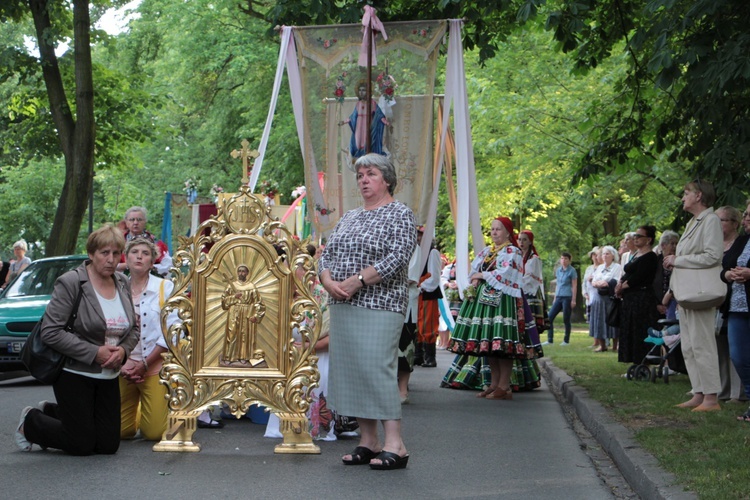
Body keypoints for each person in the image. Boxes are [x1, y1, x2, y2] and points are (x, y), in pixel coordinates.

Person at [319, 153, 416, 470]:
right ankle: (368, 440)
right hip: (343, 303)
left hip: (381, 304)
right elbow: (326, 255)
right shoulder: (348, 217)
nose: (363, 179)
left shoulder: (399, 214)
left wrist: (357, 281)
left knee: (377, 367)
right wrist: (328, 279)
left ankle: (395, 444)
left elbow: (397, 258)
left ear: (386, 179)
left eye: (370, 173)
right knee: (354, 370)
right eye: (360, 174)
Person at [15, 225, 139, 454]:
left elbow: (134, 329)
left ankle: (53, 412)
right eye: (104, 253)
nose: (111, 259)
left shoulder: (122, 281)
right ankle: (31, 421)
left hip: (109, 373)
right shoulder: (71, 282)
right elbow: (51, 331)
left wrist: (123, 352)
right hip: (74, 371)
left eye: (115, 253)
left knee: (107, 446)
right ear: (91, 254)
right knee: (81, 444)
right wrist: (94, 353)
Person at [447, 216, 530, 400]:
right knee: (490, 343)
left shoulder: (512, 251)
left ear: (508, 232)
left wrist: (481, 275)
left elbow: (506, 273)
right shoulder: (487, 251)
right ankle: (493, 384)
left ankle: (504, 386)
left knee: (502, 341)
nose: (494, 232)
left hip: (503, 302)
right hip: (484, 301)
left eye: (498, 229)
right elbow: (475, 270)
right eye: (492, 229)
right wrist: (476, 278)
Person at [265, 244, 337, 441]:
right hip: (291, 355)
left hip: (318, 356)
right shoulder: (284, 295)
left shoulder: (324, 297)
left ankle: (315, 427)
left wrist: (308, 347)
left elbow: (335, 336)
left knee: (317, 382)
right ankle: (285, 425)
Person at [663, 180, 723, 412]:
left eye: (686, 193)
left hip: (700, 293)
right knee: (688, 345)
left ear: (698, 196)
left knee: (702, 344)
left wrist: (678, 260)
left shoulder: (710, 221)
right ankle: (698, 392)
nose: (683, 197)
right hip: (687, 293)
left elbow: (712, 256)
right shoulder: (693, 222)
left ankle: (711, 398)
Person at [119, 238, 175, 441]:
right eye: (134, 252)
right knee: (121, 432)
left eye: (145, 253)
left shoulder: (165, 287)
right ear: (126, 257)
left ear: (152, 262)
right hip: (123, 366)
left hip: (154, 365)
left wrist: (145, 363)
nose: (139, 256)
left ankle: (152, 406)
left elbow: (172, 331)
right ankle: (139, 408)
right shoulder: (116, 287)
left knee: (154, 433)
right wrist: (123, 364)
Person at [615, 225, 660, 367]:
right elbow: (628, 273)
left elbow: (640, 277)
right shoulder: (635, 255)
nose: (635, 239)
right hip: (629, 298)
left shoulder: (651, 257)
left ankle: (642, 362)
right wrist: (619, 284)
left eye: (639, 236)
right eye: (635, 236)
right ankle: (633, 361)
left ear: (648, 239)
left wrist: (623, 287)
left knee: (639, 329)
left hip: (642, 298)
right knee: (630, 329)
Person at [715, 206, 747, 403]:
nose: (717, 225)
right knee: (726, 349)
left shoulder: (741, 241)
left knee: (740, 350)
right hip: (724, 303)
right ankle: (722, 389)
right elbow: (721, 270)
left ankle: (739, 394)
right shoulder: (717, 244)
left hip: (739, 302)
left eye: (722, 220)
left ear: (734, 223)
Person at [722, 201, 750, 421]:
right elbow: (725, 266)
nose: (747, 219)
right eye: (746, 215)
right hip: (736, 306)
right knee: (739, 357)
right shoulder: (741, 241)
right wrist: (728, 275)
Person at [220, 264, 266, 367]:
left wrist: (256, 315)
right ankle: (229, 357)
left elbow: (259, 303)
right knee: (231, 334)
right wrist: (233, 297)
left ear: (247, 273)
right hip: (234, 311)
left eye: (243, 271)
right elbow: (224, 301)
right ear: (237, 272)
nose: (241, 273)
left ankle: (244, 357)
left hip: (246, 312)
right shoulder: (231, 285)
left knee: (244, 334)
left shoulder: (251, 287)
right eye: (239, 271)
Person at [339, 81, 389, 160]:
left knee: (367, 142)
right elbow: (352, 116)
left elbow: (379, 115)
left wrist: (387, 122)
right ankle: (359, 159)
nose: (361, 92)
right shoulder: (358, 104)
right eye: (360, 90)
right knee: (358, 142)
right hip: (359, 125)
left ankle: (367, 159)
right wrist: (344, 122)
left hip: (367, 125)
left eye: (364, 90)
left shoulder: (372, 103)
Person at [116, 206, 173, 276]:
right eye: (132, 220)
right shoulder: (117, 242)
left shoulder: (156, 244)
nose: (135, 222)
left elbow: (167, 266)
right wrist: (128, 265)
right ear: (126, 223)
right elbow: (109, 263)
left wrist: (149, 266)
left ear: (145, 221)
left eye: (139, 220)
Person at [397, 238, 420, 403]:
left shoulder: (413, 247)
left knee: (405, 348)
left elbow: (411, 276)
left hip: (406, 304)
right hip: (385, 303)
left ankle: (403, 390)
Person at [416, 229, 443, 368]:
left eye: (421, 235)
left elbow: (434, 277)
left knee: (428, 324)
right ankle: (418, 355)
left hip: (427, 292)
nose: (418, 238)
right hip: (417, 293)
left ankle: (430, 357)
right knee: (417, 324)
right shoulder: (416, 252)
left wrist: (420, 286)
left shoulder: (433, 252)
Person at [589, 246, 622, 352]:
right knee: (599, 320)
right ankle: (602, 345)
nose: (605, 255)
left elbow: (614, 280)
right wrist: (599, 283)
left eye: (607, 253)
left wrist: (603, 282)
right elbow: (594, 281)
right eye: (603, 253)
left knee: (612, 320)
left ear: (613, 255)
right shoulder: (599, 267)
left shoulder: (617, 267)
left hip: (610, 297)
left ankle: (615, 345)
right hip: (598, 297)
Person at [544, 252, 578, 346]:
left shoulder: (572, 271)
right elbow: (558, 284)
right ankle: (550, 339)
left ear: (569, 260)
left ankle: (566, 340)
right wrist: (555, 297)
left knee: (566, 319)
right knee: (549, 317)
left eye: (566, 258)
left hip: (567, 297)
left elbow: (574, 286)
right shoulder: (558, 270)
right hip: (559, 296)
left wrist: (573, 299)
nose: (563, 260)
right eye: (562, 258)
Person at [583, 247, 601, 326]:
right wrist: (585, 293)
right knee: (591, 321)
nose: (595, 257)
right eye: (593, 254)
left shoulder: (602, 268)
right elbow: (584, 283)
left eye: (596, 255)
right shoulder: (588, 268)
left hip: (598, 297)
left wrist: (593, 280)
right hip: (589, 298)